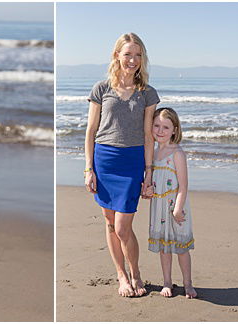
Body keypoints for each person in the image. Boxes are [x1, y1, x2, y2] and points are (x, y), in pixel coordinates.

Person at [84, 32, 160, 297]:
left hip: (131, 163)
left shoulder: (148, 93)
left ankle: (136, 273)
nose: (133, 60)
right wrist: (88, 169)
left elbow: (149, 136)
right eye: (128, 54)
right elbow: (91, 130)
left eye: (138, 55)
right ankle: (121, 276)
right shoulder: (101, 89)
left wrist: (149, 174)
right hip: (104, 161)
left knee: (122, 227)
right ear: (117, 55)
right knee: (108, 223)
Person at [145, 107, 196, 299]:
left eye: (165, 127)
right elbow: (152, 182)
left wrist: (177, 209)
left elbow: (183, 186)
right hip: (158, 208)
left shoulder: (177, 154)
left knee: (181, 248)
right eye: (156, 125)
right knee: (164, 248)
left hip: (176, 208)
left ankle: (188, 283)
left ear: (175, 129)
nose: (160, 130)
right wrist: (148, 190)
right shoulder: (153, 154)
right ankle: (167, 282)